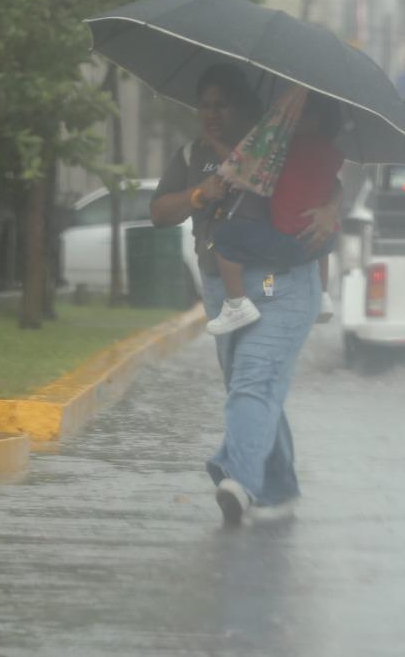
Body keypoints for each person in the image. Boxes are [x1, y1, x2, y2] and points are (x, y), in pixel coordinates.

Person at [149, 64, 339, 526]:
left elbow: (328, 184)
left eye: (222, 104)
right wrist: (199, 194)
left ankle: (240, 477)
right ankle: (281, 488)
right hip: (222, 285)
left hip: (282, 282)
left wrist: (332, 212)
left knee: (254, 382)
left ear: (243, 106)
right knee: (250, 387)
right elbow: (158, 212)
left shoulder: (277, 143)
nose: (211, 114)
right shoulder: (193, 154)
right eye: (205, 105)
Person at [207, 92, 346, 336]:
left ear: (315, 119)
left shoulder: (287, 148)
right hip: (323, 241)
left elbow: (239, 166)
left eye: (299, 113)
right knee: (318, 226)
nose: (291, 118)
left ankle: (237, 304)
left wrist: (211, 140)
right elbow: (333, 185)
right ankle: (323, 295)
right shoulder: (334, 154)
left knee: (224, 238)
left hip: (285, 241)